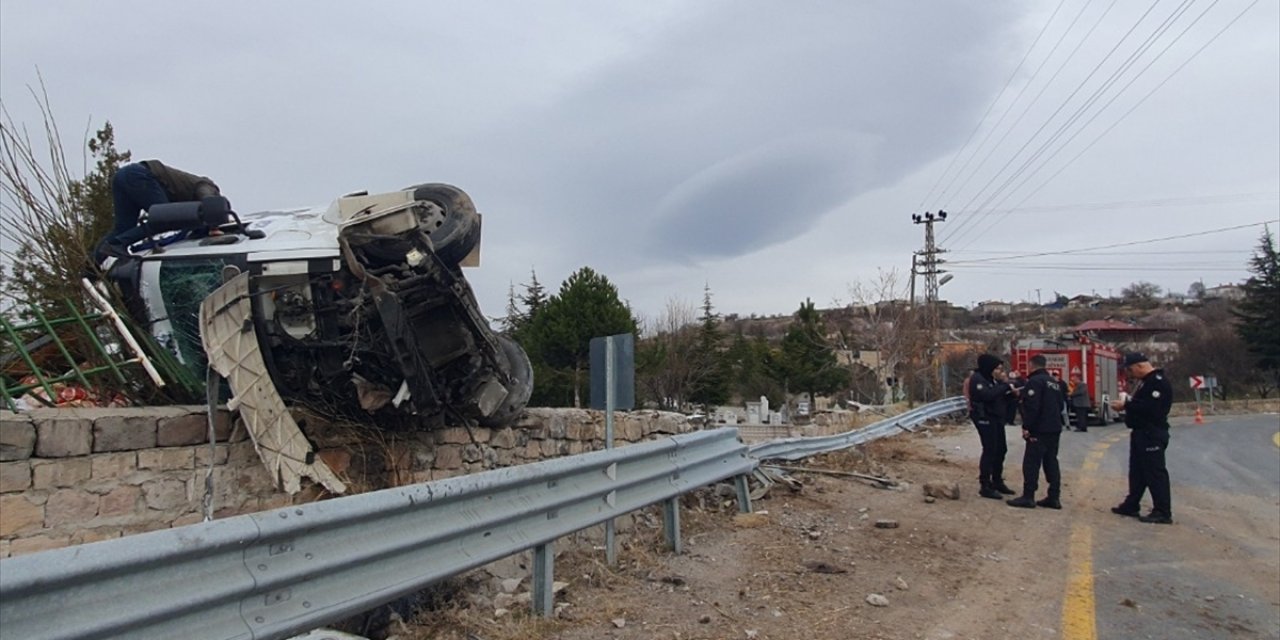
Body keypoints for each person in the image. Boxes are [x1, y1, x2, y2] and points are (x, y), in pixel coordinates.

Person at [95, 160, 221, 261]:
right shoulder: (207, 186)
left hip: (125, 175)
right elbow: (207, 198)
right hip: (140, 175)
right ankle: (118, 244)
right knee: (164, 220)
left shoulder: (191, 205)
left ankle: (91, 268)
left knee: (123, 228)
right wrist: (214, 225)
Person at [1109, 352, 1174, 524]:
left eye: (1130, 370)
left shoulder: (1157, 383)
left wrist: (1127, 405)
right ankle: (1132, 504)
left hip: (1151, 433)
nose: (1129, 374)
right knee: (1137, 472)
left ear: (1140, 365)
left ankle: (1162, 510)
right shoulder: (1145, 382)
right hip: (1140, 433)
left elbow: (1152, 409)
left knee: (1154, 472)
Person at [1007, 355, 1067, 509]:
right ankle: (1054, 497)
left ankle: (1028, 496)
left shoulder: (1034, 382)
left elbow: (1033, 407)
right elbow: (1061, 405)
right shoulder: (1054, 382)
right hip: (1054, 428)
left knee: (1031, 463)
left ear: (1031, 365)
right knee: (1051, 461)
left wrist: (1027, 427)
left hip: (1039, 429)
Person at [967, 354, 1018, 499]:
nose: (999, 372)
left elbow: (999, 397)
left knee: (1001, 449)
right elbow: (987, 396)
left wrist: (1011, 393)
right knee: (990, 450)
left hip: (996, 418)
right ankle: (985, 485)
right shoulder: (978, 379)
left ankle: (997, 480)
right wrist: (1004, 385)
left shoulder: (993, 381)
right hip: (984, 418)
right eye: (997, 369)